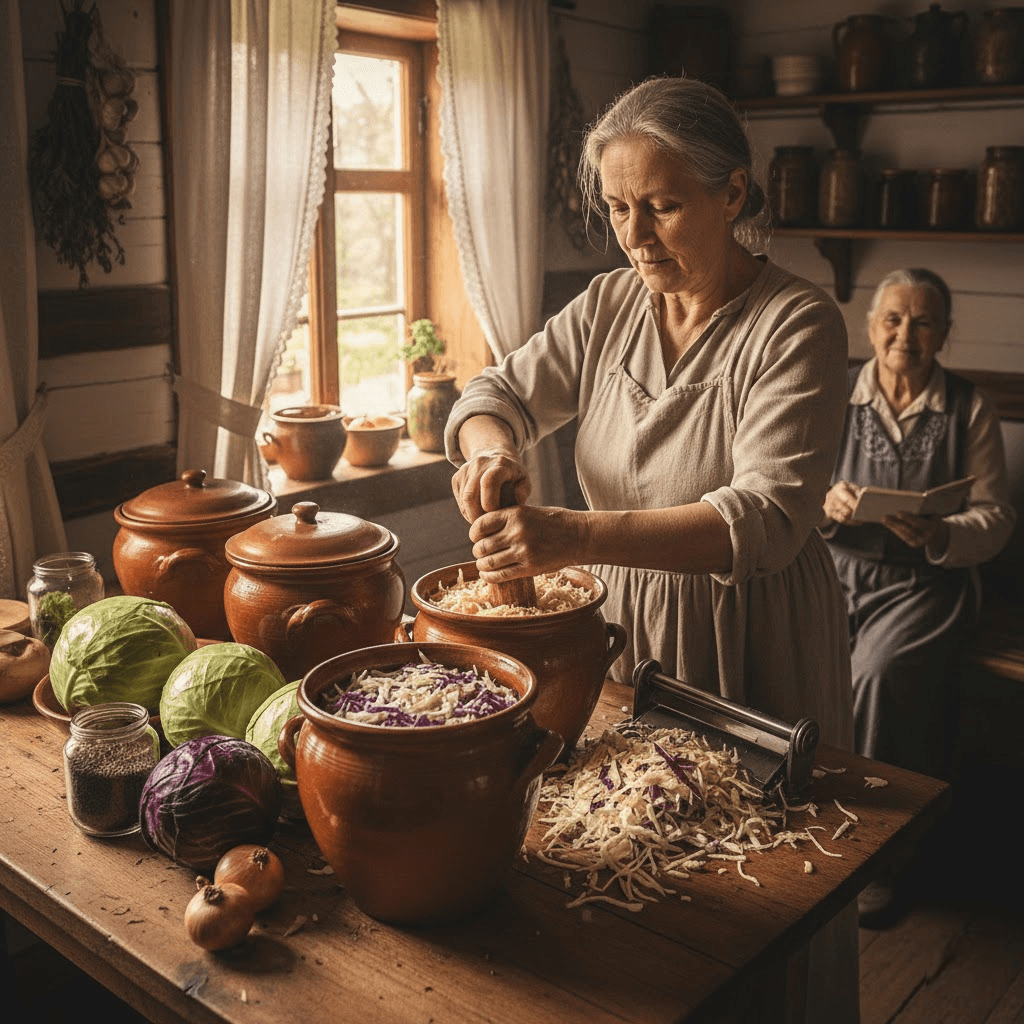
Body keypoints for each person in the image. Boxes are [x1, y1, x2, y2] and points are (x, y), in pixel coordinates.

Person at [445, 76, 858, 1024]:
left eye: (663, 206)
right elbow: (490, 393)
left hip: (748, 628)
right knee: (630, 873)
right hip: (618, 631)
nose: (635, 236)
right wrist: (494, 450)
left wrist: (565, 535)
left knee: (754, 891)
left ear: (735, 195)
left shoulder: (799, 325)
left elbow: (764, 515)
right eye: (619, 208)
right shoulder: (606, 307)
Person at [820, 267, 1016, 924]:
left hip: (926, 584)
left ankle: (880, 855)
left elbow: (995, 517)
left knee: (878, 674)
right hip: (838, 571)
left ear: (945, 335)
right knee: (796, 649)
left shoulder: (969, 407)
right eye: (894, 319)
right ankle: (807, 827)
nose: (907, 334)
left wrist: (940, 532)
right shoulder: (833, 394)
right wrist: (829, 503)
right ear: (871, 328)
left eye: (924, 321)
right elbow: (793, 491)